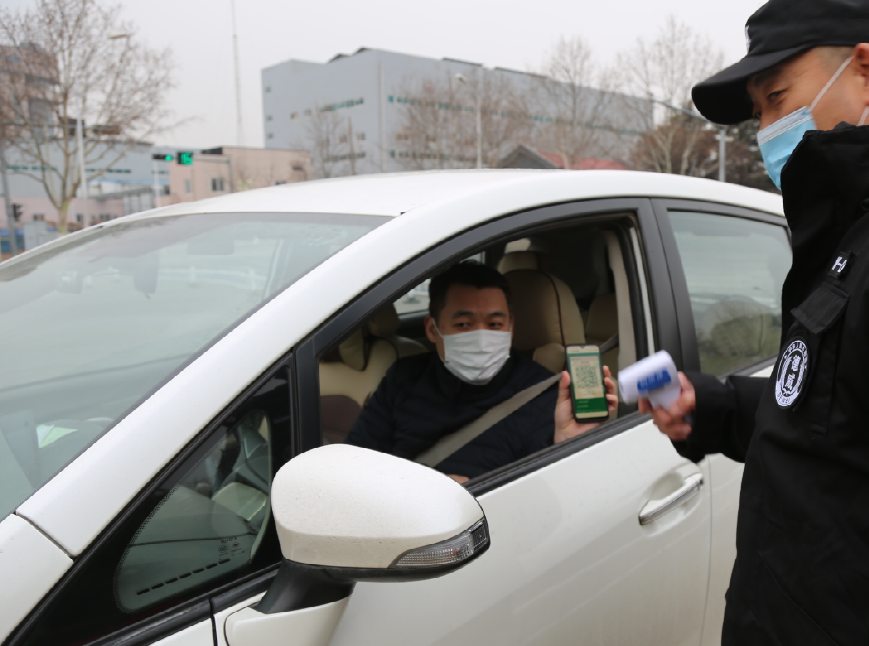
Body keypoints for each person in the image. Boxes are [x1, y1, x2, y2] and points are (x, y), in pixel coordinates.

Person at [644, 1, 869, 643]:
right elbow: (831, 425)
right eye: (759, 111)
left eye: (777, 97)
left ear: (864, 69)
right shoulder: (841, 239)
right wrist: (714, 406)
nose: (768, 127)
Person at [345, 261, 616, 483]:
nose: (482, 339)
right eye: (464, 324)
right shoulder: (403, 377)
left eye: (495, 324)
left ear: (510, 327)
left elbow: (548, 495)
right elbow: (355, 464)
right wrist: (426, 487)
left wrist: (565, 444)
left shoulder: (543, 393)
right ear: (432, 330)